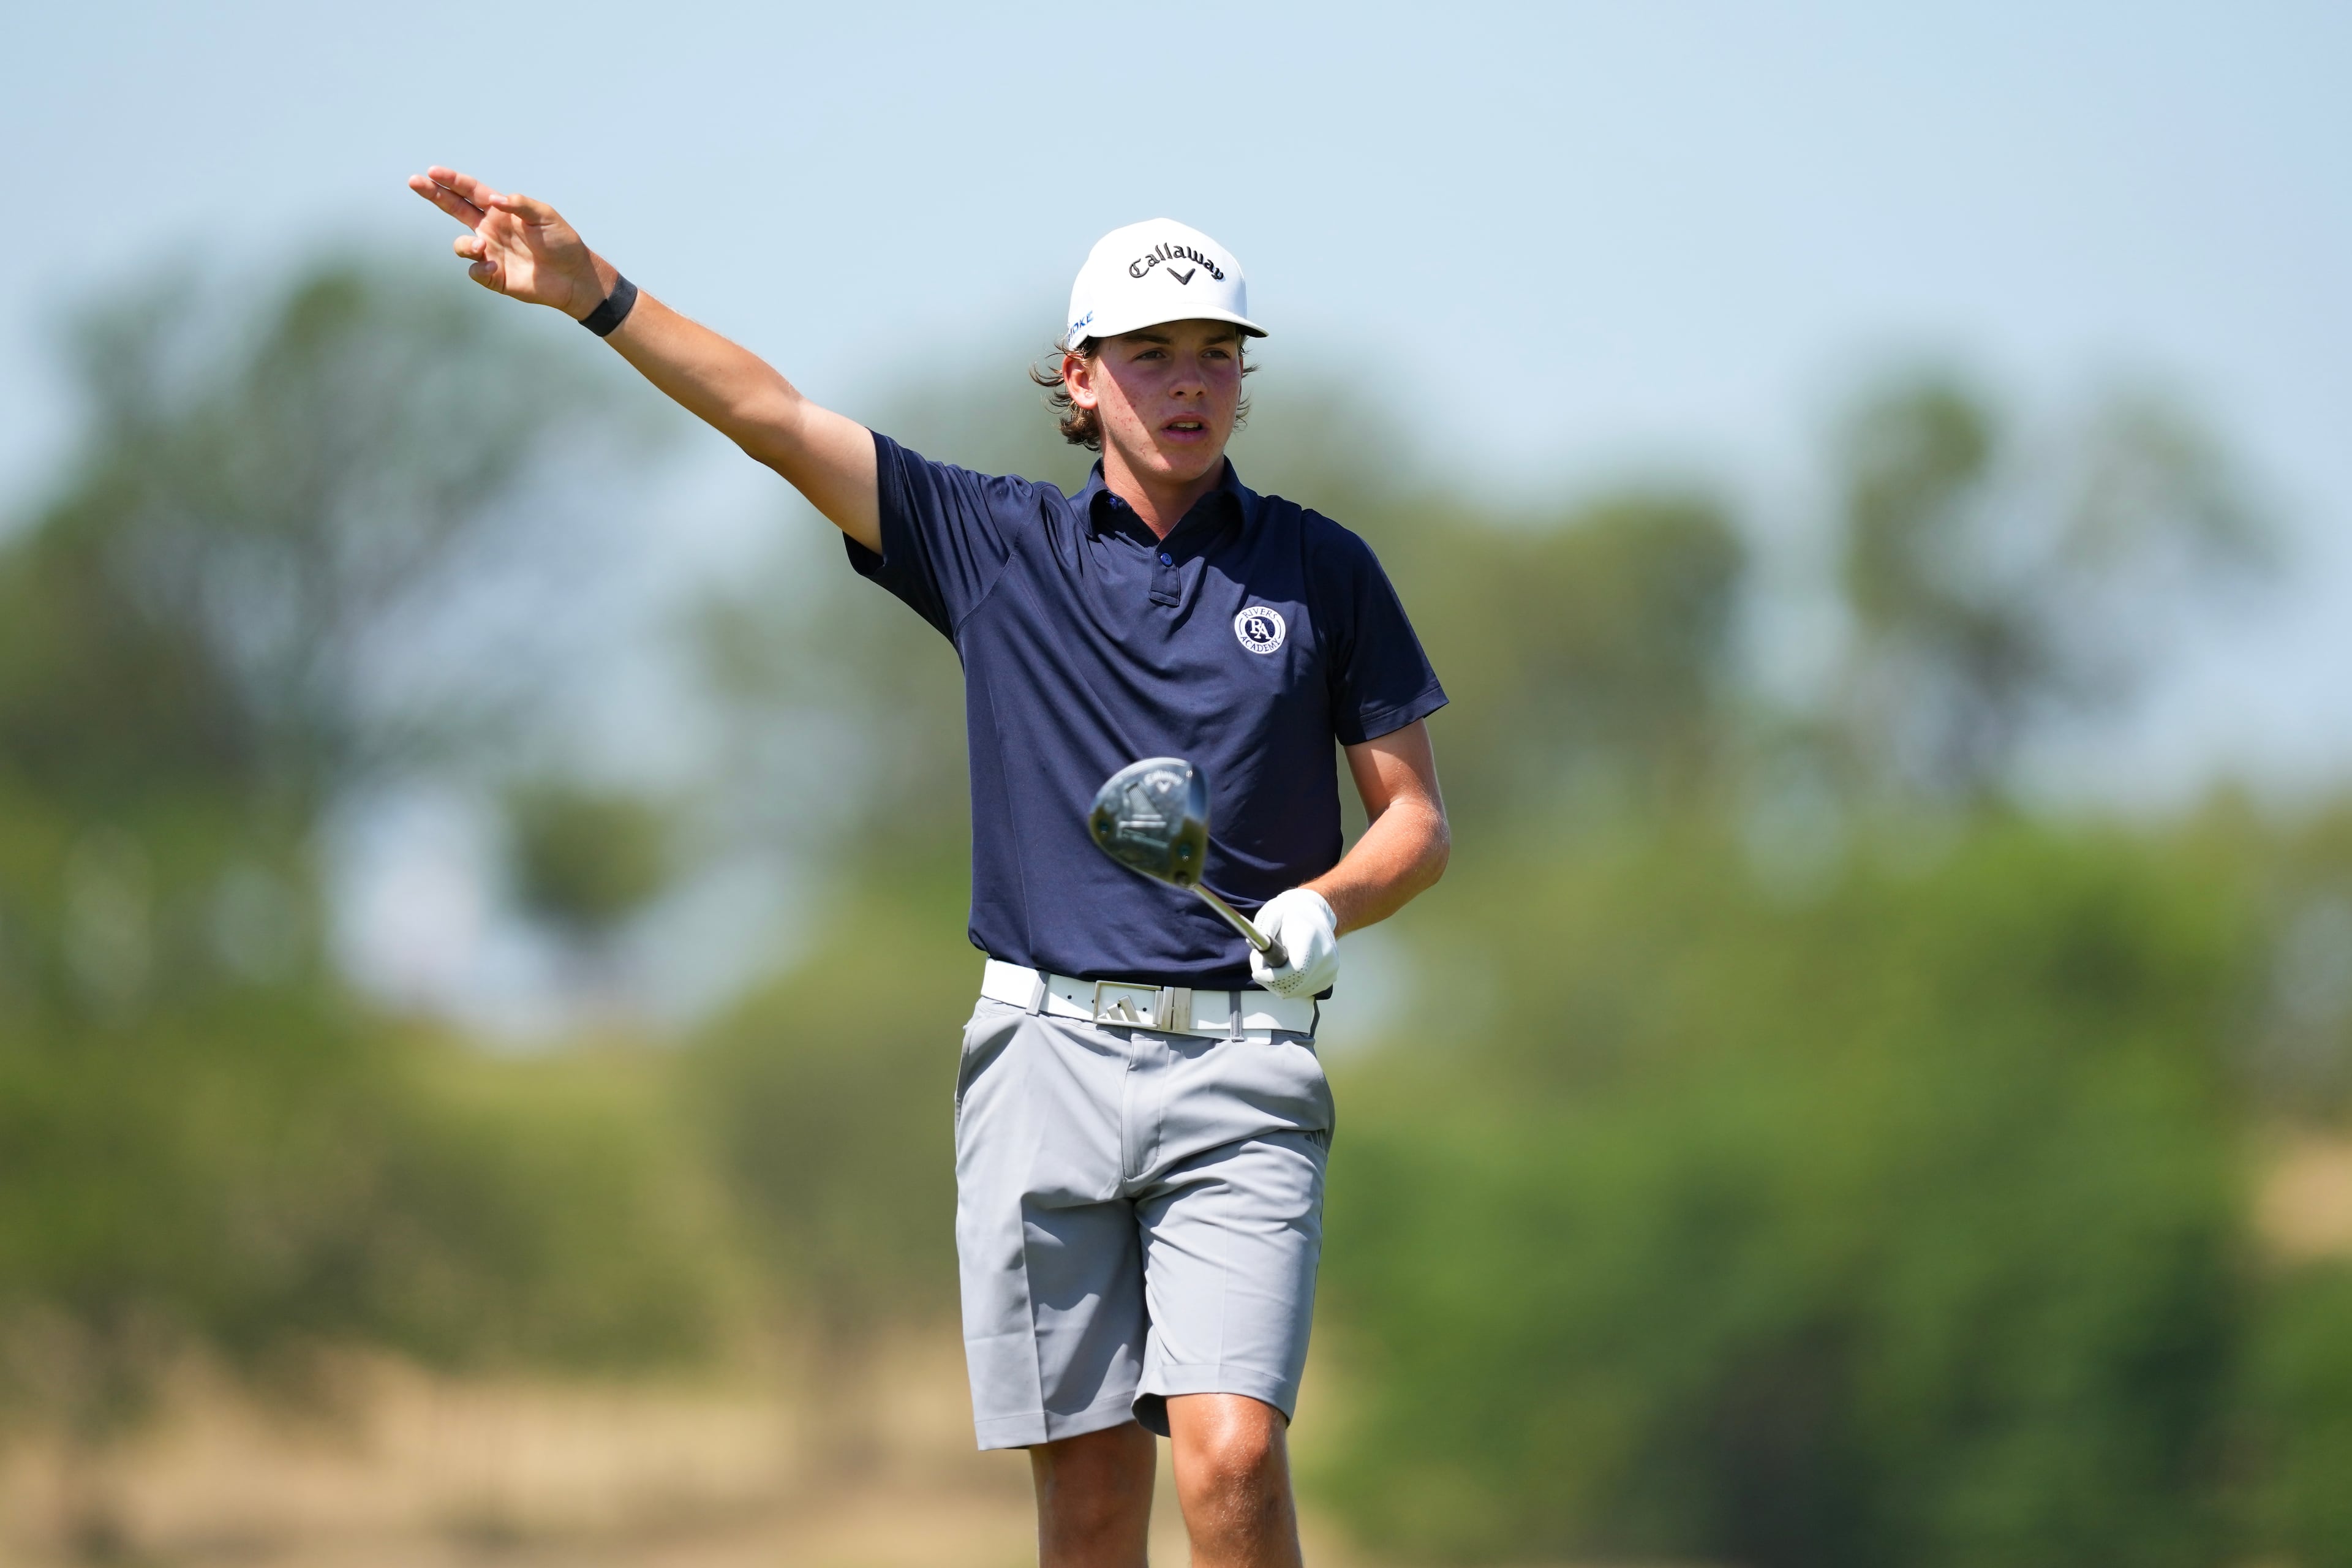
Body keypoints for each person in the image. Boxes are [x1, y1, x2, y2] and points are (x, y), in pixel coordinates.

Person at [409, 168, 1451, 1568]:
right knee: (1085, 1495)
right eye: (1151, 355)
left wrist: (1328, 901)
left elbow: (1414, 822)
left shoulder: (1321, 570)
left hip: (1243, 1069)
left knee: (1234, 1452)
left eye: (1217, 356)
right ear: (1083, 376)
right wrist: (595, 293)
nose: (1189, 385)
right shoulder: (994, 544)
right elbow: (772, 418)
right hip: (1042, 1060)